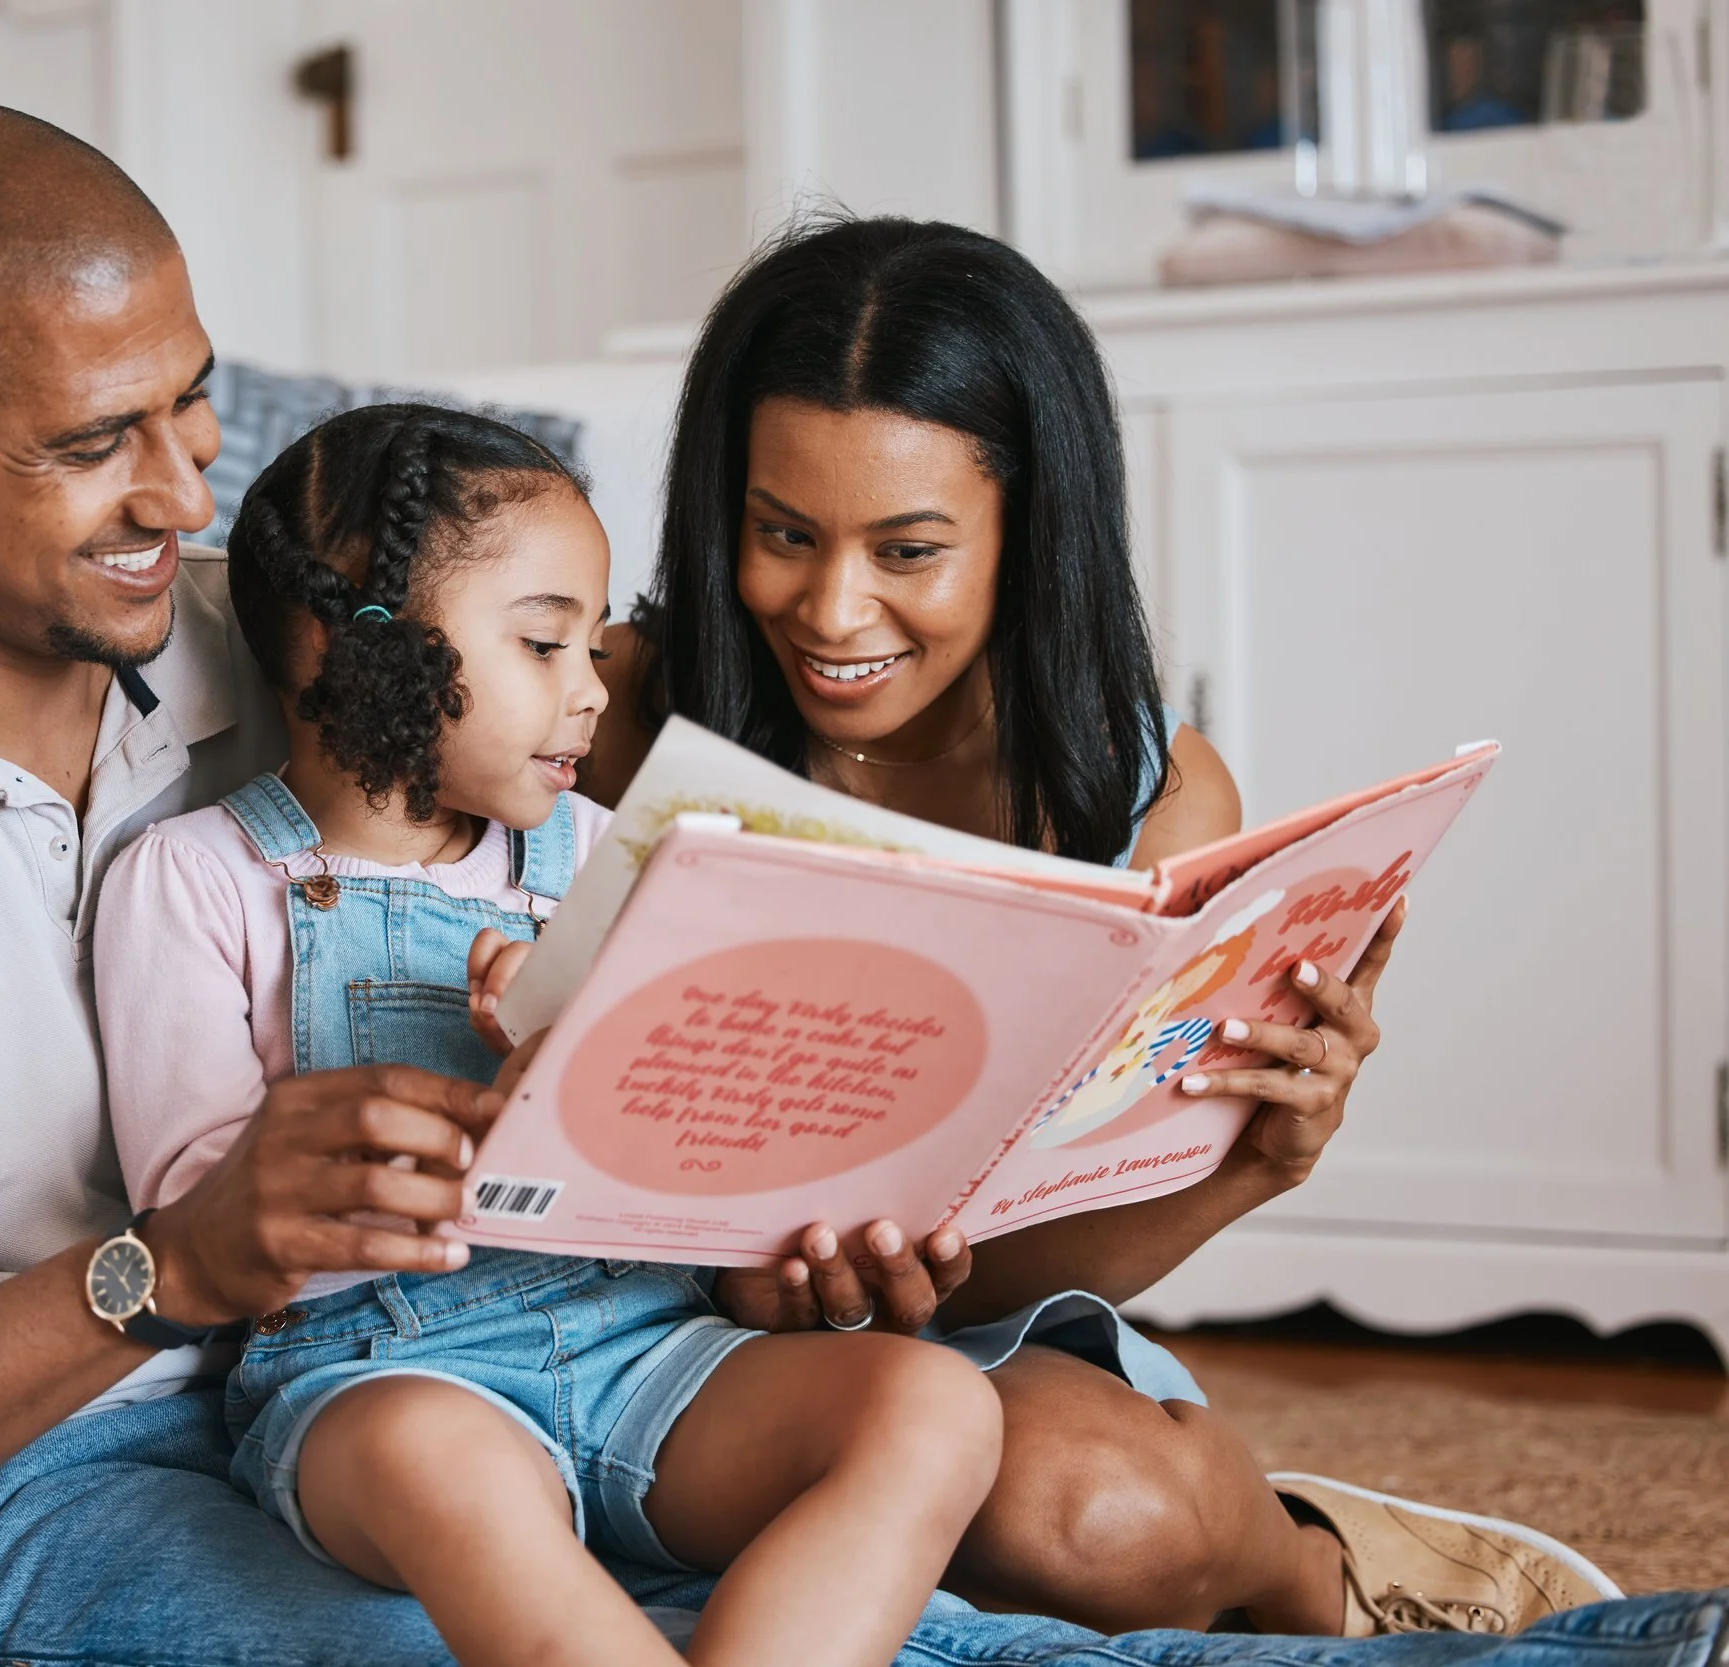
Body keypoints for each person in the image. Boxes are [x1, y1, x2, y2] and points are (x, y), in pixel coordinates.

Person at [0, 100, 1729, 1667]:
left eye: (195, 417)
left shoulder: (220, 642)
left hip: (440, 1371)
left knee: (863, 1544)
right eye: (99, 443)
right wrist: (164, 1267)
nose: (179, 496)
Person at [583, 213, 1620, 1639]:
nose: (830, 608)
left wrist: (1254, 1161)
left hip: (934, 1338)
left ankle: (1329, 1573)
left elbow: (1035, 1248)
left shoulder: (1150, 798)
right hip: (601, 1326)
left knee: (1096, 1514)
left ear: (1030, 528)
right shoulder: (597, 702)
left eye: (910, 548)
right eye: (781, 534)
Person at [97, 402, 1002, 1667]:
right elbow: (213, 1232)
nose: (592, 690)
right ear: (339, 644)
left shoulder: (600, 853)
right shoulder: (199, 879)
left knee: (935, 1404)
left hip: (651, 1344)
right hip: (377, 1373)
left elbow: (701, 1164)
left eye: (591, 642)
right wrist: (516, 1107)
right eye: (542, 642)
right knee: (441, 1463)